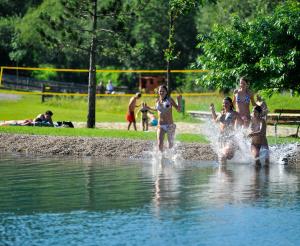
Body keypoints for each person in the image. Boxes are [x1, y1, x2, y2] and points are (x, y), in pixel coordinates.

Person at [210, 97, 241, 164]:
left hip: (230, 138)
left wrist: (239, 130)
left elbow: (241, 123)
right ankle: (223, 172)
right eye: (223, 103)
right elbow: (216, 121)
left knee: (223, 156)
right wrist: (212, 110)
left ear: (230, 104)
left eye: (226, 103)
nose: (224, 104)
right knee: (225, 157)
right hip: (222, 138)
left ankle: (223, 172)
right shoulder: (221, 113)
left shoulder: (234, 113)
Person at [152, 85, 182, 152]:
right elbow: (156, 109)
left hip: (170, 125)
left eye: (163, 91)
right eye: (160, 91)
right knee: (159, 144)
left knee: (170, 145)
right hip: (160, 125)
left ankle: (171, 159)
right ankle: (161, 160)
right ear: (158, 92)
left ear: (166, 92)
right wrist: (147, 108)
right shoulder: (157, 100)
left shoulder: (170, 100)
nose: (161, 92)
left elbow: (179, 110)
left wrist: (179, 101)